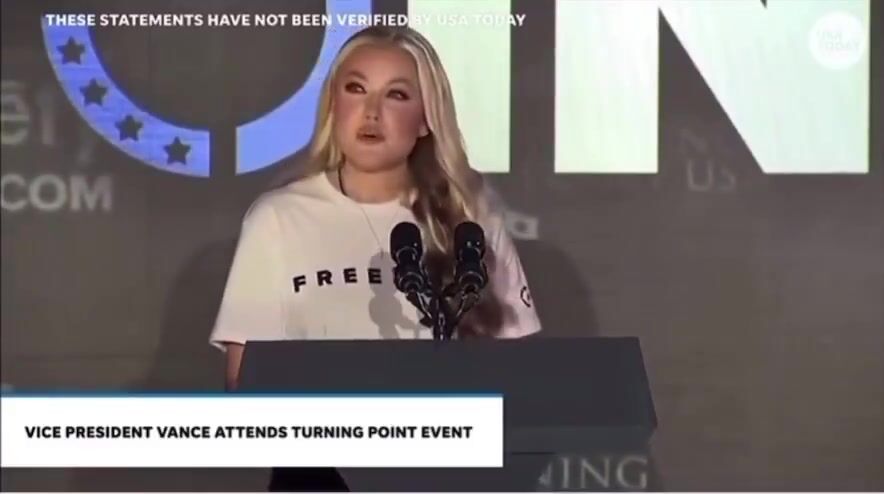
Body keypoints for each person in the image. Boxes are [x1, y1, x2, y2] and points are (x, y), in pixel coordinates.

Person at [208, 25, 542, 491]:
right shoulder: (278, 218)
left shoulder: (469, 218)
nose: (371, 112)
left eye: (396, 95)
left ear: (425, 119)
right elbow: (245, 381)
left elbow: (523, 370)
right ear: (333, 104)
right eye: (356, 89)